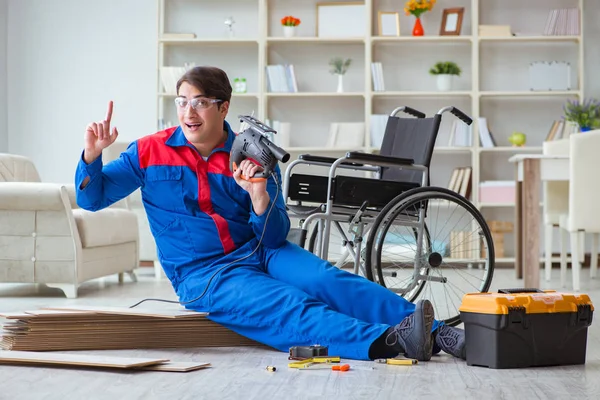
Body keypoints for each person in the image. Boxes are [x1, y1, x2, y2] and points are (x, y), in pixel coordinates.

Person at [74, 66, 466, 362]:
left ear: (223, 106)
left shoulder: (252, 153)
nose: (188, 111)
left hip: (263, 250)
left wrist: (259, 197)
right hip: (205, 272)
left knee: (328, 280)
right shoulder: (148, 152)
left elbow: (276, 234)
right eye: (181, 101)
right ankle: (392, 341)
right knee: (289, 304)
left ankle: (438, 332)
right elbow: (92, 200)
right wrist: (92, 156)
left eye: (199, 102)